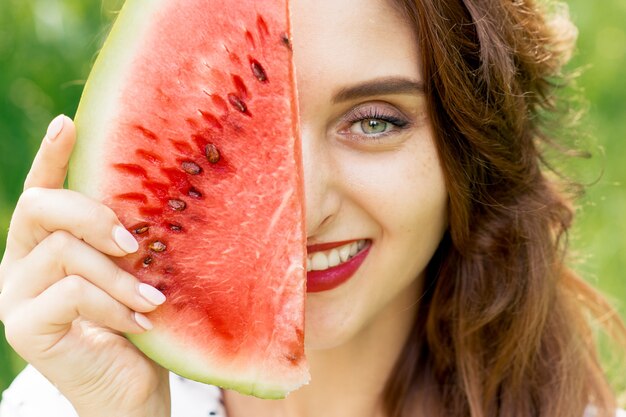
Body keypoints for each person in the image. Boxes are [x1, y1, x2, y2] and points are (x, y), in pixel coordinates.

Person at [0, 0, 624, 416]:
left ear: (471, 142)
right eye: (224, 140)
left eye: (375, 121)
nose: (304, 207)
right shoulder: (64, 402)